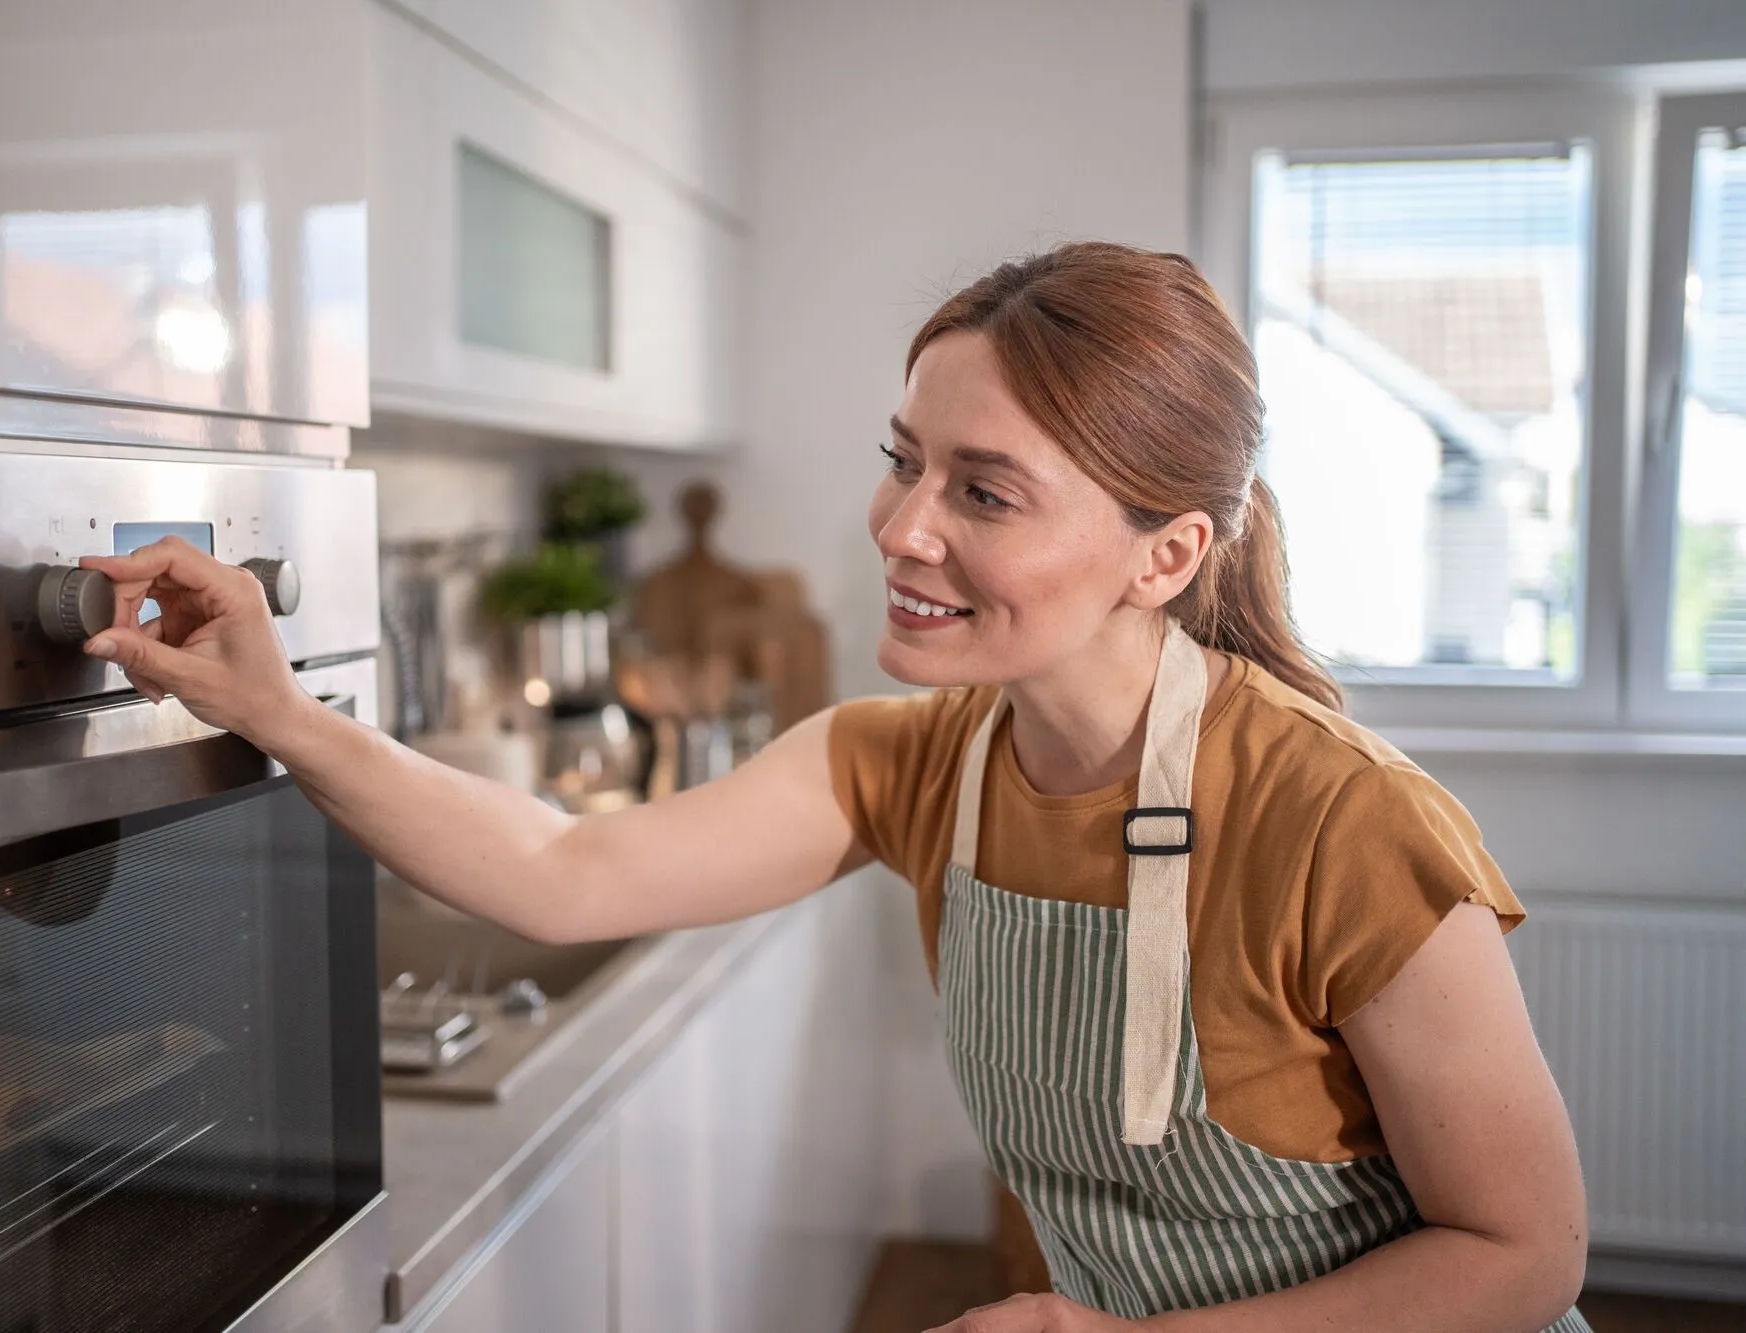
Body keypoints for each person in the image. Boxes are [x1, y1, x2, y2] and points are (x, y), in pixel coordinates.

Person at [79, 242, 1591, 1332]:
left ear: (1168, 553)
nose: (900, 526)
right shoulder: (919, 764)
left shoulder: (1347, 824)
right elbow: (563, 873)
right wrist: (279, 713)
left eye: (982, 493)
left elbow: (1524, 1253)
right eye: (903, 460)